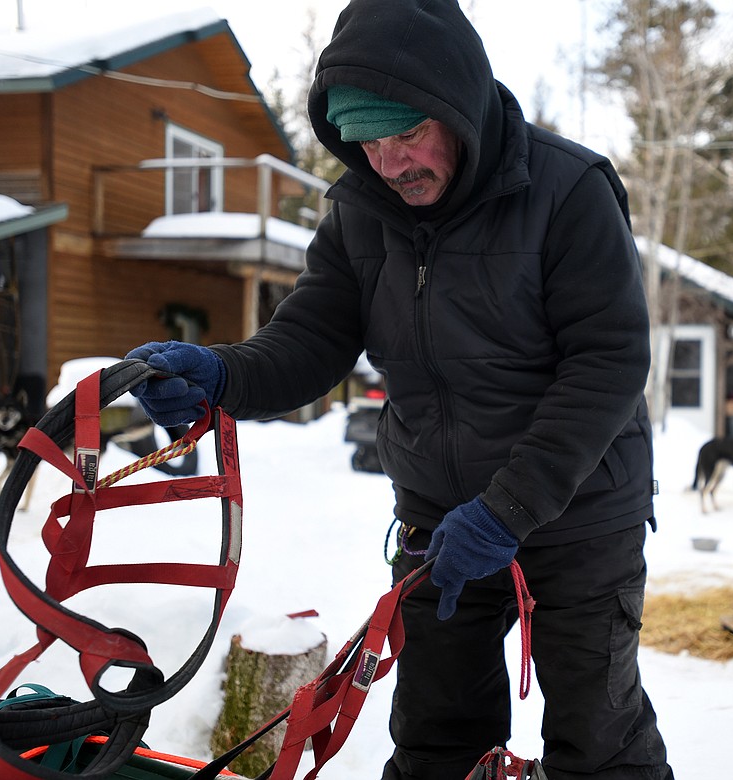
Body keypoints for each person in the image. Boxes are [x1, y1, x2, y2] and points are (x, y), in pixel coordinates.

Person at [126, 1, 674, 778]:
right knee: (435, 738)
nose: (389, 163)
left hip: (578, 512)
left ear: (462, 108)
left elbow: (608, 363)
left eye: (408, 134)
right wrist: (222, 376)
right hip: (441, 523)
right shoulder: (360, 213)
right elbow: (310, 339)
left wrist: (509, 508)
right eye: (368, 142)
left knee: (599, 741)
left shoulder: (567, 189)